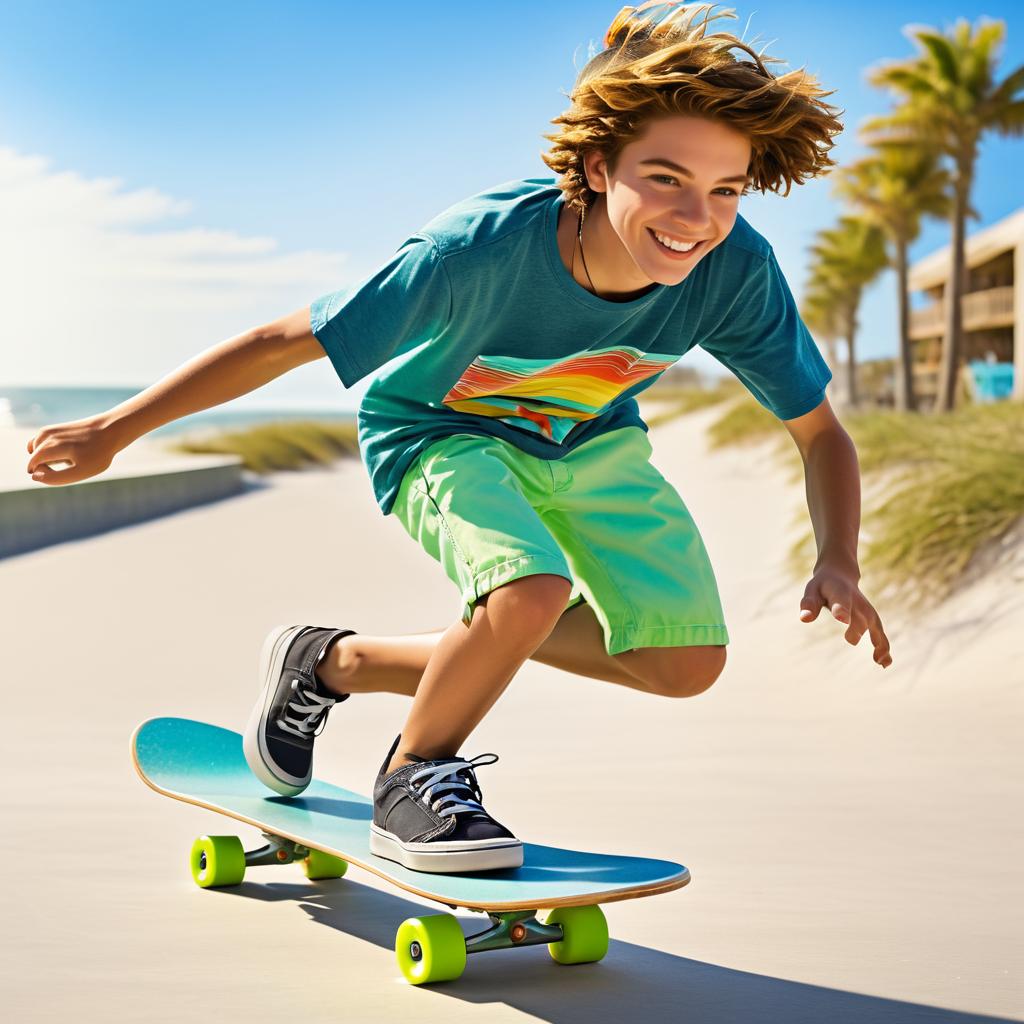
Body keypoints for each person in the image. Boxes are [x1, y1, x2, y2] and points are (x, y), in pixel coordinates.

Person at [23, 2, 893, 875]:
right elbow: (285, 340)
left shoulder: (735, 271)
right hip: (436, 433)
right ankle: (413, 776)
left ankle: (330, 663)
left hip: (588, 444)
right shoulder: (475, 250)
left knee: (682, 660)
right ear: (599, 167)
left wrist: (840, 559)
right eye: (664, 178)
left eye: (725, 190)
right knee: (529, 591)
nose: (695, 216)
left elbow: (820, 434)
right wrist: (115, 428)